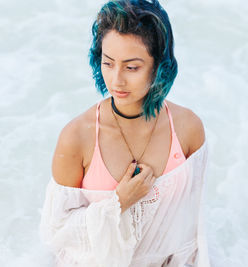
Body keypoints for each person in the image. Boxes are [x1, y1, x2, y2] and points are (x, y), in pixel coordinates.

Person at [39, 0, 211, 266]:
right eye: (108, 63)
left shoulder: (188, 128)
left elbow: (193, 227)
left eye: (132, 67)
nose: (116, 80)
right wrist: (119, 202)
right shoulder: (77, 137)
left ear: (159, 66)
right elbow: (56, 234)